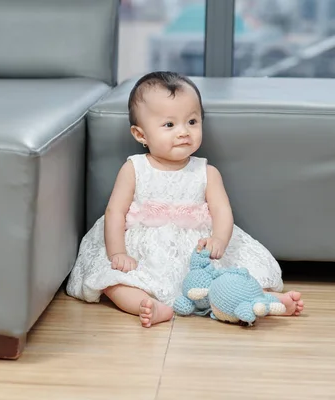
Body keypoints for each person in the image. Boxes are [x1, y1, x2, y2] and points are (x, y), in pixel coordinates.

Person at [66, 71, 304, 328]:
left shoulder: (206, 172)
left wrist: (219, 240)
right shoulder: (134, 169)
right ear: (140, 135)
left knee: (233, 276)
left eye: (192, 121)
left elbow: (223, 212)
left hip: (196, 249)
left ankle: (267, 300)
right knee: (114, 281)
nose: (183, 132)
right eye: (169, 125)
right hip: (143, 248)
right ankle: (147, 305)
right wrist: (118, 252)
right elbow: (115, 212)